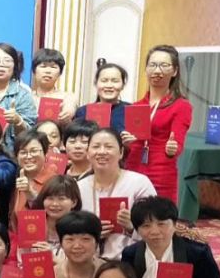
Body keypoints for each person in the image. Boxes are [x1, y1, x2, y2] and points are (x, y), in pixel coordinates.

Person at [122, 46, 193, 202]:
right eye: (152, 65)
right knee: (131, 214)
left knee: (159, 214)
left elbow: (178, 142)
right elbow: (130, 146)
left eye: (164, 65)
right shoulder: (137, 106)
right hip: (133, 167)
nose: (157, 70)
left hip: (161, 172)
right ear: (146, 69)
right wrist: (126, 143)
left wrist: (173, 148)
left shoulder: (181, 106)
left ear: (175, 71)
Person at [76, 128, 156, 260]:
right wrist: (90, 234)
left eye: (109, 147)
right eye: (96, 146)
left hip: (128, 262)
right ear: (88, 153)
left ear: (121, 152)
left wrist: (131, 227)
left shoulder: (139, 183)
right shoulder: (79, 186)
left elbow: (157, 230)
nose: (102, 152)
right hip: (87, 261)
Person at [0, 43, 37, 149]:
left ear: (14, 66)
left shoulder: (23, 96)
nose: (1, 65)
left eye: (7, 61)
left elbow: (31, 135)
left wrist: (18, 121)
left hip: (7, 153)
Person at [10, 131, 56, 232]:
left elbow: (54, 214)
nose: (29, 156)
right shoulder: (17, 178)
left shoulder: (54, 181)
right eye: (23, 152)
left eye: (34, 151)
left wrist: (31, 194)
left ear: (45, 152)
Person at [27, 175, 82, 257]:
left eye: (61, 198)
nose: (55, 204)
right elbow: (22, 259)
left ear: (74, 202)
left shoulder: (81, 230)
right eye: (50, 198)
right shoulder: (32, 226)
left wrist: (52, 257)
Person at [74, 62, 130, 135]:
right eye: (104, 81)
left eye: (115, 81)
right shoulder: (83, 111)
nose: (109, 85)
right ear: (96, 83)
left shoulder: (131, 110)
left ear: (123, 85)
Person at [30, 48, 78, 124]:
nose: (48, 71)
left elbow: (70, 106)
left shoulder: (67, 97)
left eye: (53, 67)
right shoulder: (27, 97)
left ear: (60, 73)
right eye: (43, 66)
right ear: (34, 71)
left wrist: (68, 112)